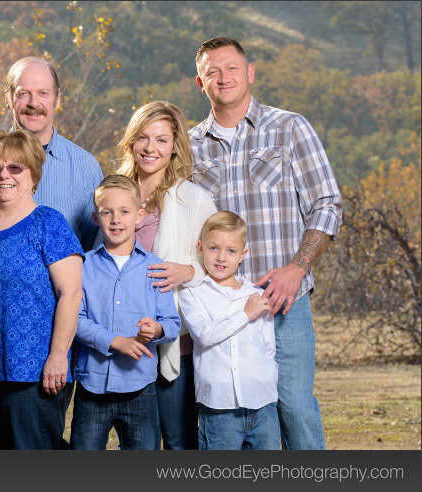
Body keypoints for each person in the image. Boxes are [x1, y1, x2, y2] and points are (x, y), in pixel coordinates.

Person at [189, 36, 342, 450]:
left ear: (250, 73)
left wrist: (298, 268)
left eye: (232, 68)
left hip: (284, 301)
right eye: (212, 72)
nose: (224, 77)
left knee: (293, 408)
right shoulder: (188, 147)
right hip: (222, 308)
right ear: (200, 84)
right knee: (228, 415)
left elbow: (327, 203)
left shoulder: (290, 127)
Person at [0, 129, 84, 450]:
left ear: (34, 174)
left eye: (15, 168)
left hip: (33, 371)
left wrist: (58, 356)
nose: (4, 175)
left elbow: (72, 294)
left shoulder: (48, 223)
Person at [114, 101, 217, 449]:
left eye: (161, 140)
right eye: (143, 138)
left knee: (178, 440)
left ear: (175, 145)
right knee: (135, 442)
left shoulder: (194, 200)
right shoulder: (114, 192)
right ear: (131, 141)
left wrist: (187, 270)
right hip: (127, 338)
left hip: (175, 342)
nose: (150, 148)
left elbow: (221, 265)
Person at [70, 175, 180, 450]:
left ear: (139, 216)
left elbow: (172, 324)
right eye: (107, 212)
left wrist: (156, 329)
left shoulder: (156, 268)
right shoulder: (83, 266)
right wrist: (115, 341)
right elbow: (74, 320)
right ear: (96, 217)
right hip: (92, 385)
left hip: (140, 388)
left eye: (124, 211)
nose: (116, 219)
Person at [0, 56, 103, 251]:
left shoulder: (86, 167)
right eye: (23, 93)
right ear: (8, 99)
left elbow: (93, 250)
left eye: (43, 93)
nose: (34, 103)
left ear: (57, 99)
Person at [179, 211, 280, 450]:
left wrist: (268, 381)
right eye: (214, 248)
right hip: (219, 406)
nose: (221, 257)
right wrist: (245, 314)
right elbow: (204, 336)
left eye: (231, 251)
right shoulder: (192, 294)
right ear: (201, 248)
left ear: (243, 254)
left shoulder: (256, 294)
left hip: (262, 403)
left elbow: (268, 348)